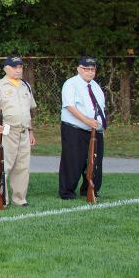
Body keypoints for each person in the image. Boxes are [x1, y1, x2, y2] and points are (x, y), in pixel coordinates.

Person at [0, 56, 37, 207]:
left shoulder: (25, 86)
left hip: (24, 131)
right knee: (2, 165)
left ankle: (20, 198)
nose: (18, 70)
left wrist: (31, 131)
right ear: (6, 68)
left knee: (22, 166)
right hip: (7, 130)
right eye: (15, 67)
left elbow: (29, 111)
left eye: (20, 67)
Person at [59, 56, 107, 200]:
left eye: (93, 69)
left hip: (94, 130)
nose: (90, 72)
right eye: (87, 69)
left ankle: (90, 189)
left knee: (95, 161)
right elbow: (70, 106)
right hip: (75, 129)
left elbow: (100, 108)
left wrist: (101, 126)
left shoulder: (95, 86)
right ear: (79, 69)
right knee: (73, 160)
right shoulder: (71, 84)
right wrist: (87, 120)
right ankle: (67, 192)